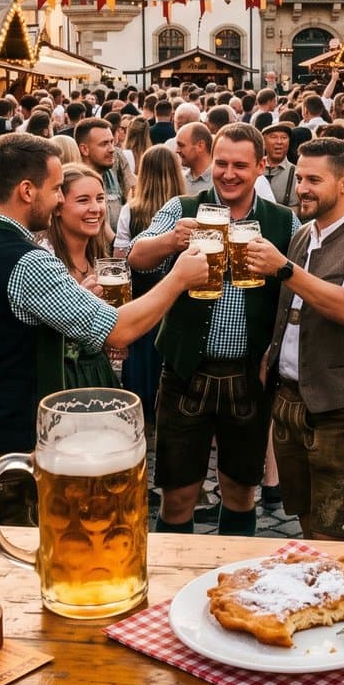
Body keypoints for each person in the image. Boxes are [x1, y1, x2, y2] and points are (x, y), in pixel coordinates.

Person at [0, 134, 207, 525]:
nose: (60, 199)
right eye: (56, 189)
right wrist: (179, 278)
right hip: (12, 459)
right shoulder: (29, 262)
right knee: (23, 573)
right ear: (27, 191)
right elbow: (118, 330)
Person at [129, 123, 295, 536]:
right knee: (178, 494)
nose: (228, 173)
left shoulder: (282, 222)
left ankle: (234, 583)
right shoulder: (183, 208)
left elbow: (298, 295)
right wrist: (171, 241)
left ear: (261, 167)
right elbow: (136, 256)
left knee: (240, 491)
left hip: (248, 375)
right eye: (222, 163)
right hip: (186, 371)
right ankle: (175, 587)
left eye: (240, 165)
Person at [246, 138, 344, 540]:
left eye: (314, 179)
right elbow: (290, 309)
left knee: (331, 529)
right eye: (299, 179)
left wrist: (283, 269)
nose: (302, 189)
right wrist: (272, 353)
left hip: (342, 403)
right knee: (305, 516)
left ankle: (334, 594)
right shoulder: (304, 235)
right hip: (291, 398)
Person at [113, 144, 187, 420]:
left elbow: (121, 256)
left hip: (140, 298)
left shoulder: (131, 210)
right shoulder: (186, 210)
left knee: (141, 361)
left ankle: (141, 412)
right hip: (173, 299)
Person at [39, 163, 122, 390]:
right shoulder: (45, 260)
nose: (96, 208)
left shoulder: (99, 258)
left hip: (98, 375)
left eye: (100, 198)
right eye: (83, 200)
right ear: (57, 207)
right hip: (59, 381)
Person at [73, 117, 129, 235]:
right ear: (84, 149)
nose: (112, 149)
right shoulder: (75, 183)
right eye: (104, 144)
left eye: (112, 142)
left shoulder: (110, 175)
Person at [262, 123, 299, 208]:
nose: (279, 142)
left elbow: (298, 208)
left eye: (284, 137)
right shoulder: (254, 169)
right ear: (263, 142)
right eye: (273, 137)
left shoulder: (296, 173)